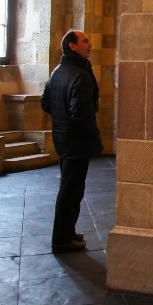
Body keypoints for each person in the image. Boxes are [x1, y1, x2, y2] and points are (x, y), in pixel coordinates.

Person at [41, 30, 103, 253]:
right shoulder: (80, 74)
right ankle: (62, 239)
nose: (91, 44)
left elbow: (46, 103)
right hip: (76, 142)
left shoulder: (57, 71)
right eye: (85, 41)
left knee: (69, 189)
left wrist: (62, 119)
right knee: (71, 191)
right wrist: (91, 136)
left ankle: (66, 232)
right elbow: (82, 114)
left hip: (63, 138)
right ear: (72, 46)